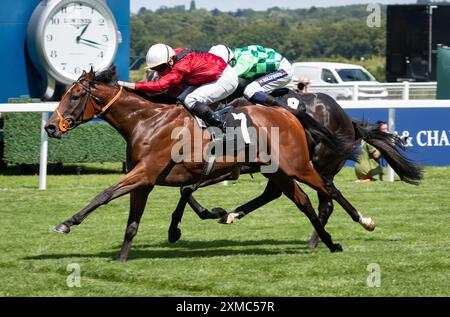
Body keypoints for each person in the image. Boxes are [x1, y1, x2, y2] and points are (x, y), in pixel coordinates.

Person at [118, 43, 238, 131]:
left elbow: (161, 85)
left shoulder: (181, 65)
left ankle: (223, 128)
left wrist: (132, 85)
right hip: (210, 77)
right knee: (180, 99)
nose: (159, 72)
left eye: (159, 68)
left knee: (190, 99)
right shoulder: (172, 57)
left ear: (170, 61)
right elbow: (171, 91)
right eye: (155, 69)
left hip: (225, 78)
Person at [209, 44, 295, 112]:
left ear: (230, 60)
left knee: (249, 91)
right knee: (239, 89)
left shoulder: (244, 60)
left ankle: (287, 110)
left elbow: (229, 77)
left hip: (282, 70)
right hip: (269, 71)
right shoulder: (233, 55)